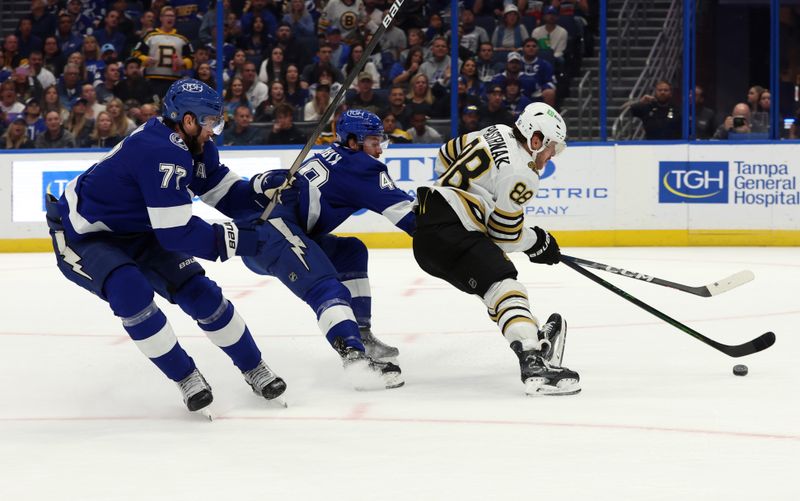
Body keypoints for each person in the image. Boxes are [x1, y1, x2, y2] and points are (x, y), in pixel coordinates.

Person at [44, 79, 287, 414]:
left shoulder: (194, 145)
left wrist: (261, 190)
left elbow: (225, 193)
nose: (214, 130)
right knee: (129, 290)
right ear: (188, 120)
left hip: (141, 230)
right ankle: (185, 376)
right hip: (84, 235)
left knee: (201, 293)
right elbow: (176, 233)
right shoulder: (162, 151)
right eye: (210, 122)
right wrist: (243, 241)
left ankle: (253, 367)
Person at [412, 102, 579, 396]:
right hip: (454, 231)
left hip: (426, 235)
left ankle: (532, 334)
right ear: (535, 139)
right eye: (551, 147)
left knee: (494, 289)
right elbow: (504, 235)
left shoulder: (496, 130)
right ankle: (532, 359)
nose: (551, 156)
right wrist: (538, 242)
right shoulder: (523, 174)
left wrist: (454, 193)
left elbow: (445, 154)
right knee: (504, 285)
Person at [241, 109, 413, 390]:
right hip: (274, 236)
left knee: (350, 252)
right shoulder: (362, 167)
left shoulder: (329, 154)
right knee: (327, 288)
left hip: (264, 235)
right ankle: (357, 361)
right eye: (373, 141)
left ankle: (361, 335)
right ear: (354, 142)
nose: (379, 150)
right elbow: (411, 219)